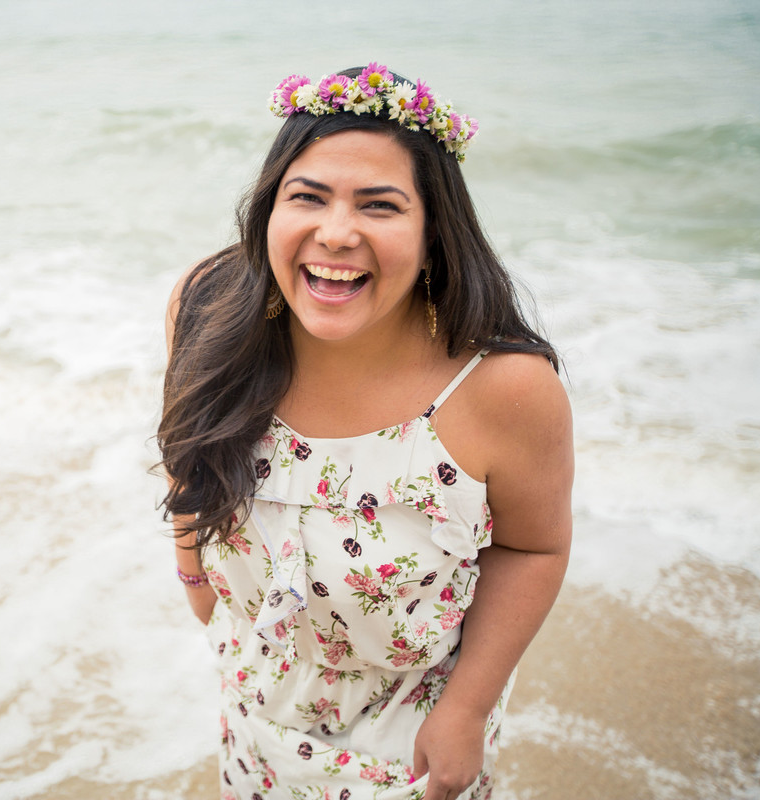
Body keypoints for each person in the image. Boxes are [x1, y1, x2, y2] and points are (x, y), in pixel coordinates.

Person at [158, 63, 573, 800]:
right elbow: (188, 451)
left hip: (415, 723)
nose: (336, 233)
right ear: (268, 207)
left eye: (379, 205)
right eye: (307, 197)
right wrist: (193, 571)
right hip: (256, 694)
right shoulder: (208, 309)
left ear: (434, 230)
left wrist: (466, 709)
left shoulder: (499, 385)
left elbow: (532, 546)